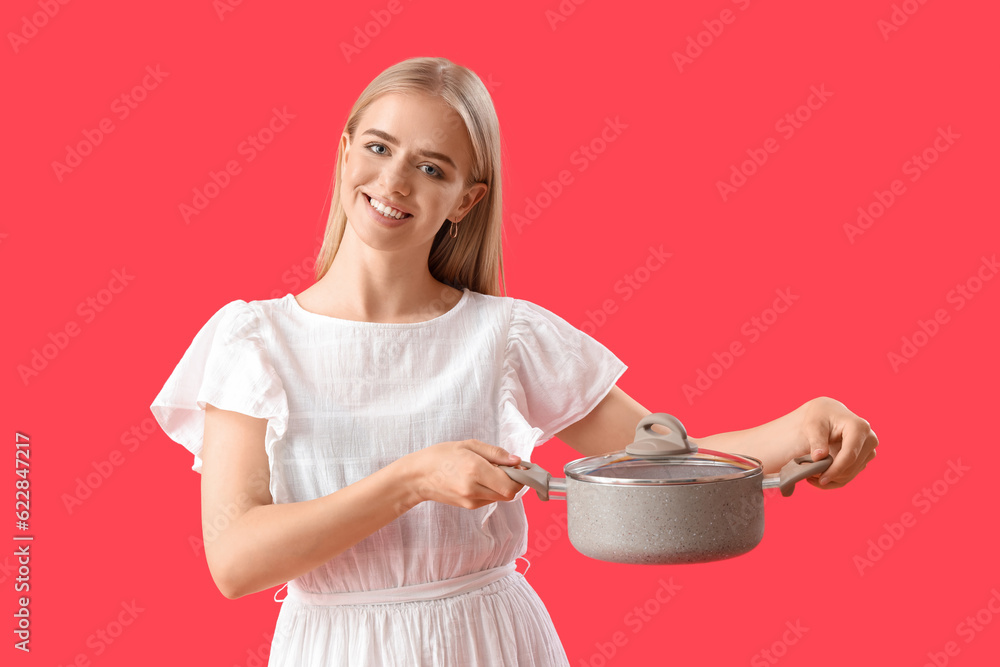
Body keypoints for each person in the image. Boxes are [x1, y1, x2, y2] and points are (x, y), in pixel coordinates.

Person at [149, 57, 878, 667]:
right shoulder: (252, 340)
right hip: (335, 646)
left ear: (465, 200)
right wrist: (412, 479)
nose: (395, 181)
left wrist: (801, 425)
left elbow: (658, 460)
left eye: (430, 167)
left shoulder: (507, 336)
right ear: (343, 152)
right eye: (377, 147)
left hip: (491, 641)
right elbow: (236, 560)